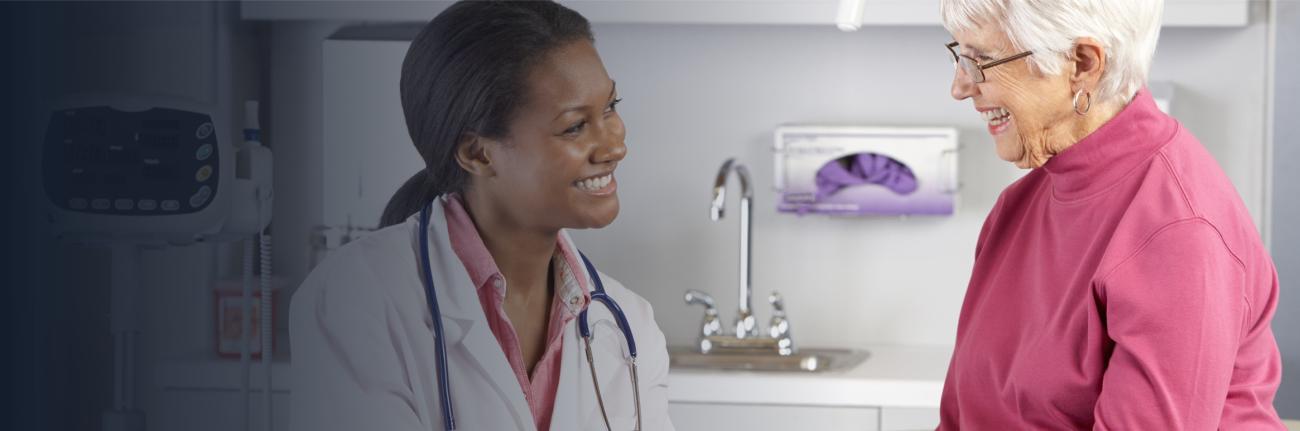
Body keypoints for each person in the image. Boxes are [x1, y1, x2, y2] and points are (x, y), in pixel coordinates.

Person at [289, 2, 674, 430]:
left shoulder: (628, 324)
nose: (614, 147)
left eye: (610, 107)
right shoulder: (356, 301)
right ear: (478, 153)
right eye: (574, 127)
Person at [936, 0, 1285, 428]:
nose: (961, 86)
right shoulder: (1017, 209)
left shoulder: (1177, 233)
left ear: (1082, 64)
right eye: (962, 55)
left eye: (984, 60)